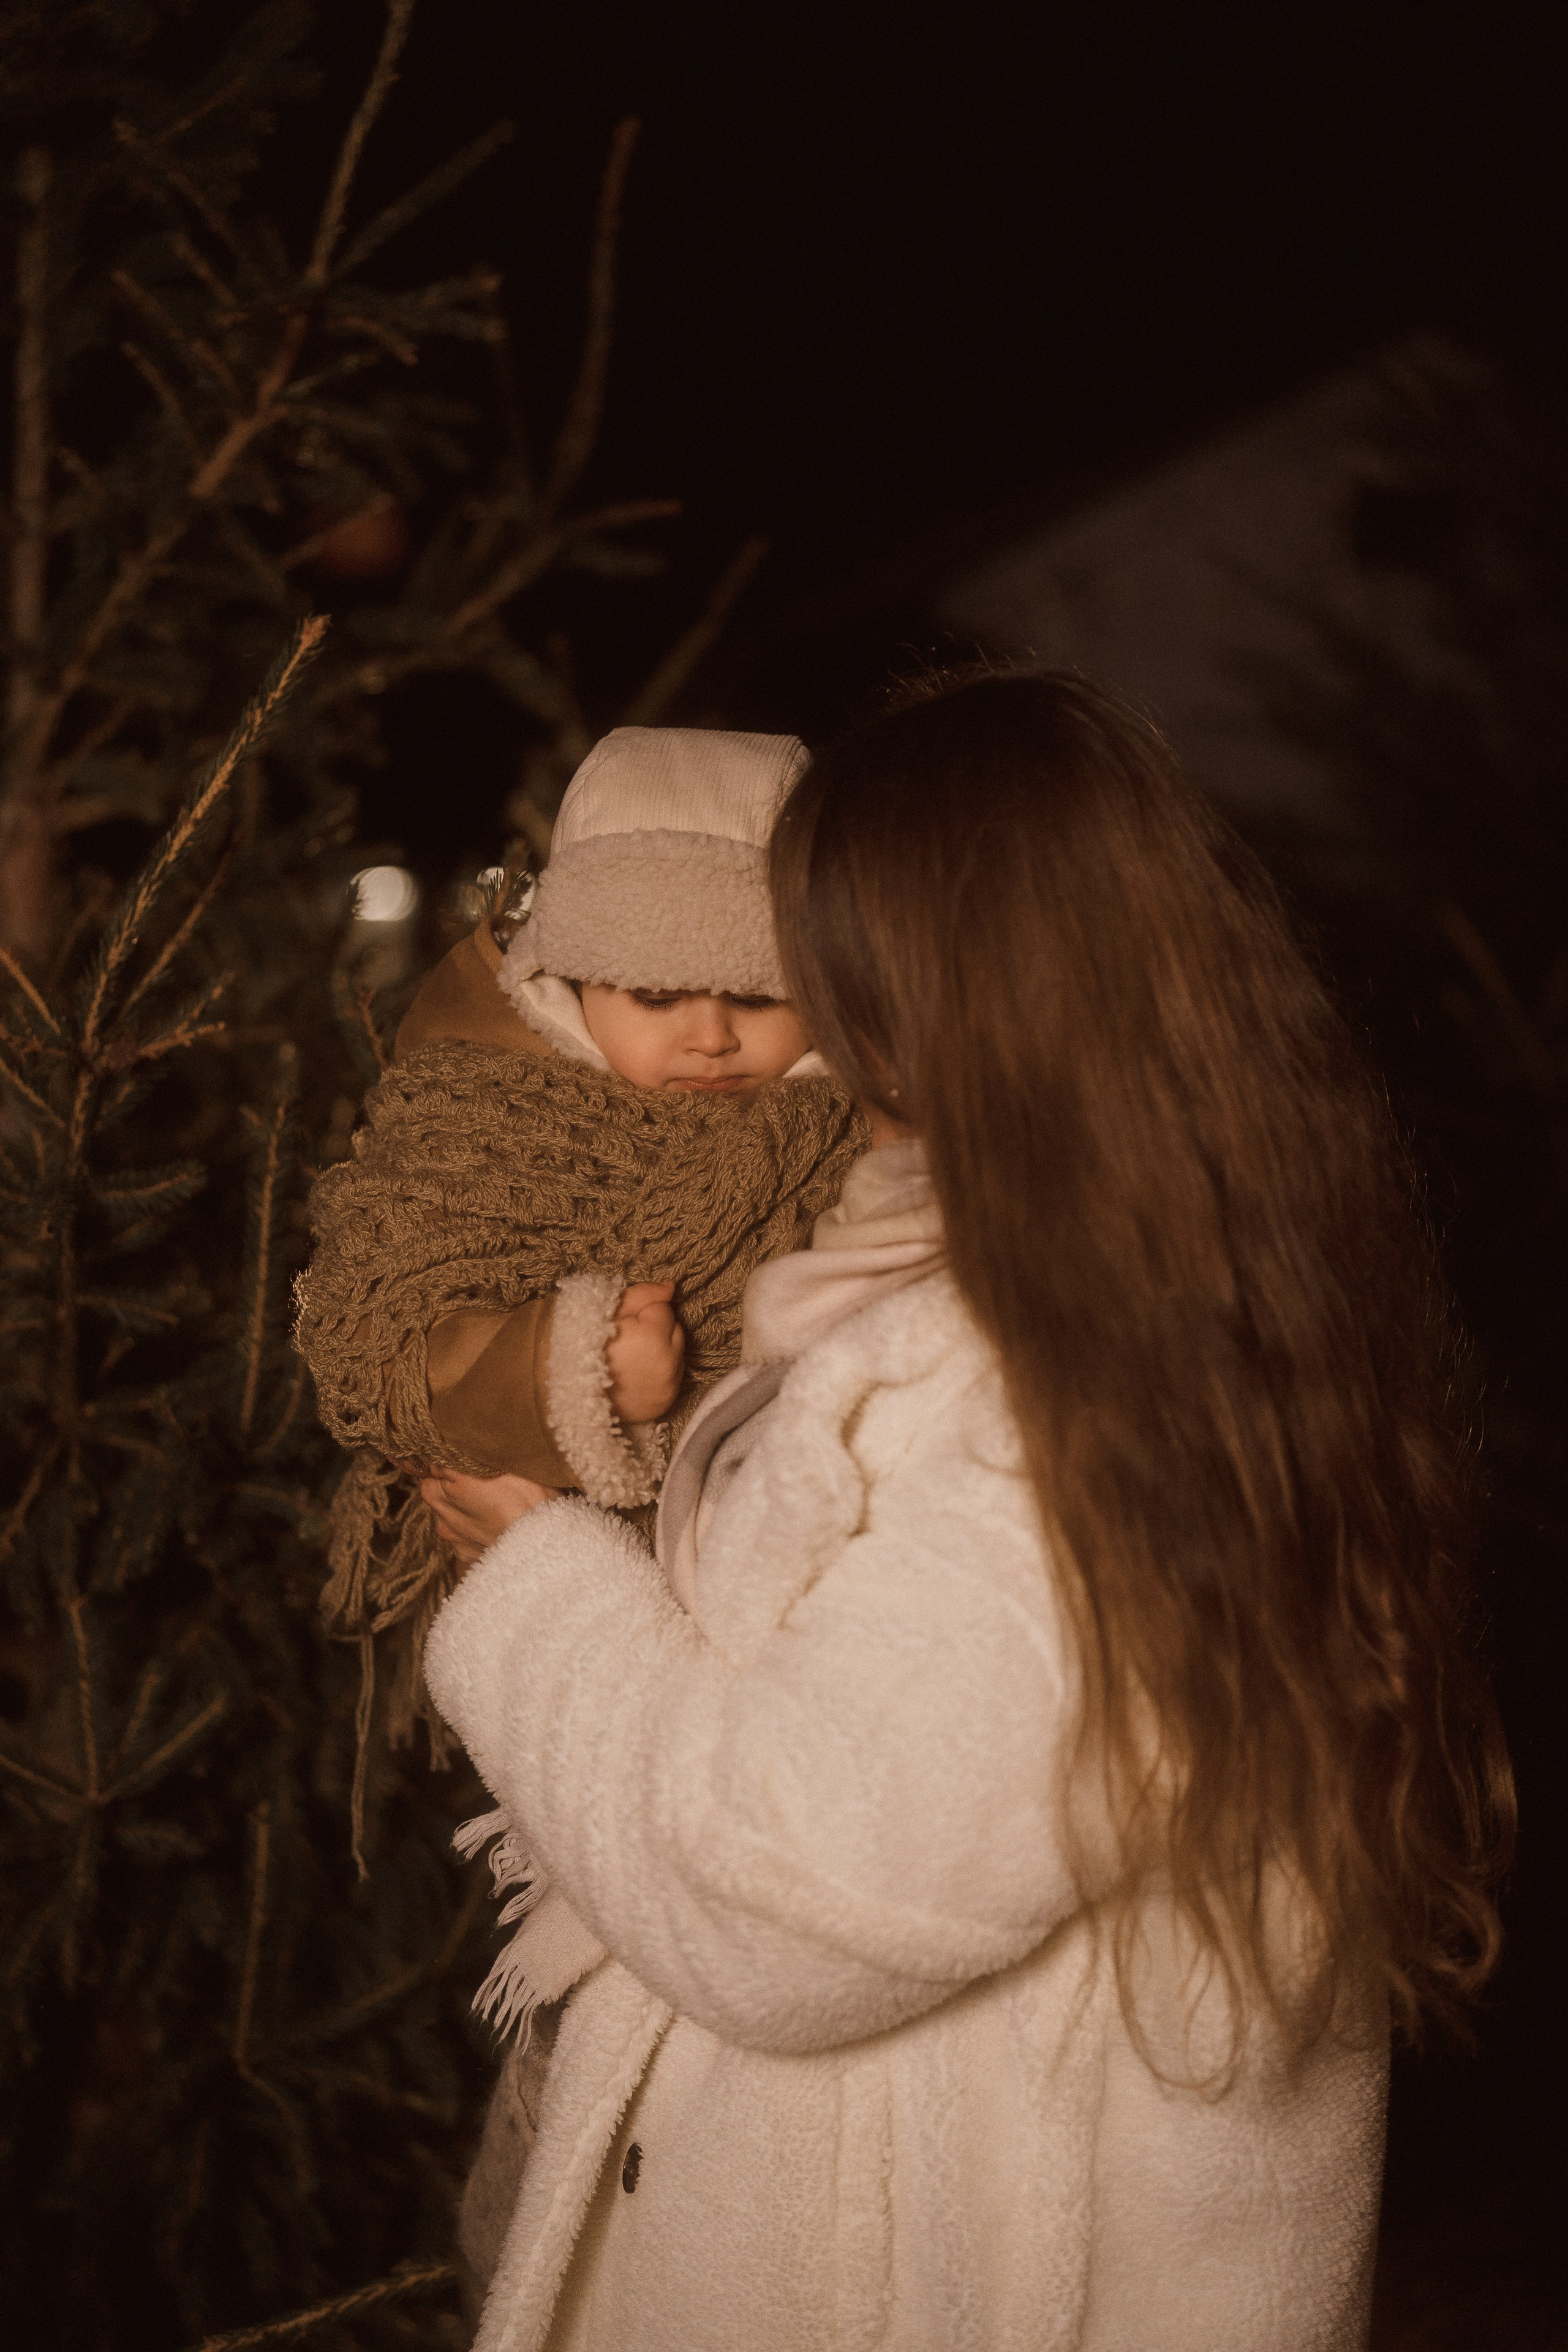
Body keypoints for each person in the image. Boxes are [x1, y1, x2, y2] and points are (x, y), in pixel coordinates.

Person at [421, 671, 1513, 2351]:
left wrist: (539, 1584)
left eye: (829, 965)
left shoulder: (1089, 1400)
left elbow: (784, 1886)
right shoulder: (1056, 1269)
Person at [295, 725, 865, 1767]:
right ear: (573, 977)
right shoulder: (485, 1114)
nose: (710, 1035)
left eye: (757, 993)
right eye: (656, 995)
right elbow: (382, 1325)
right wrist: (576, 1367)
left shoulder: (860, 1133)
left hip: (794, 1629)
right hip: (561, 1632)